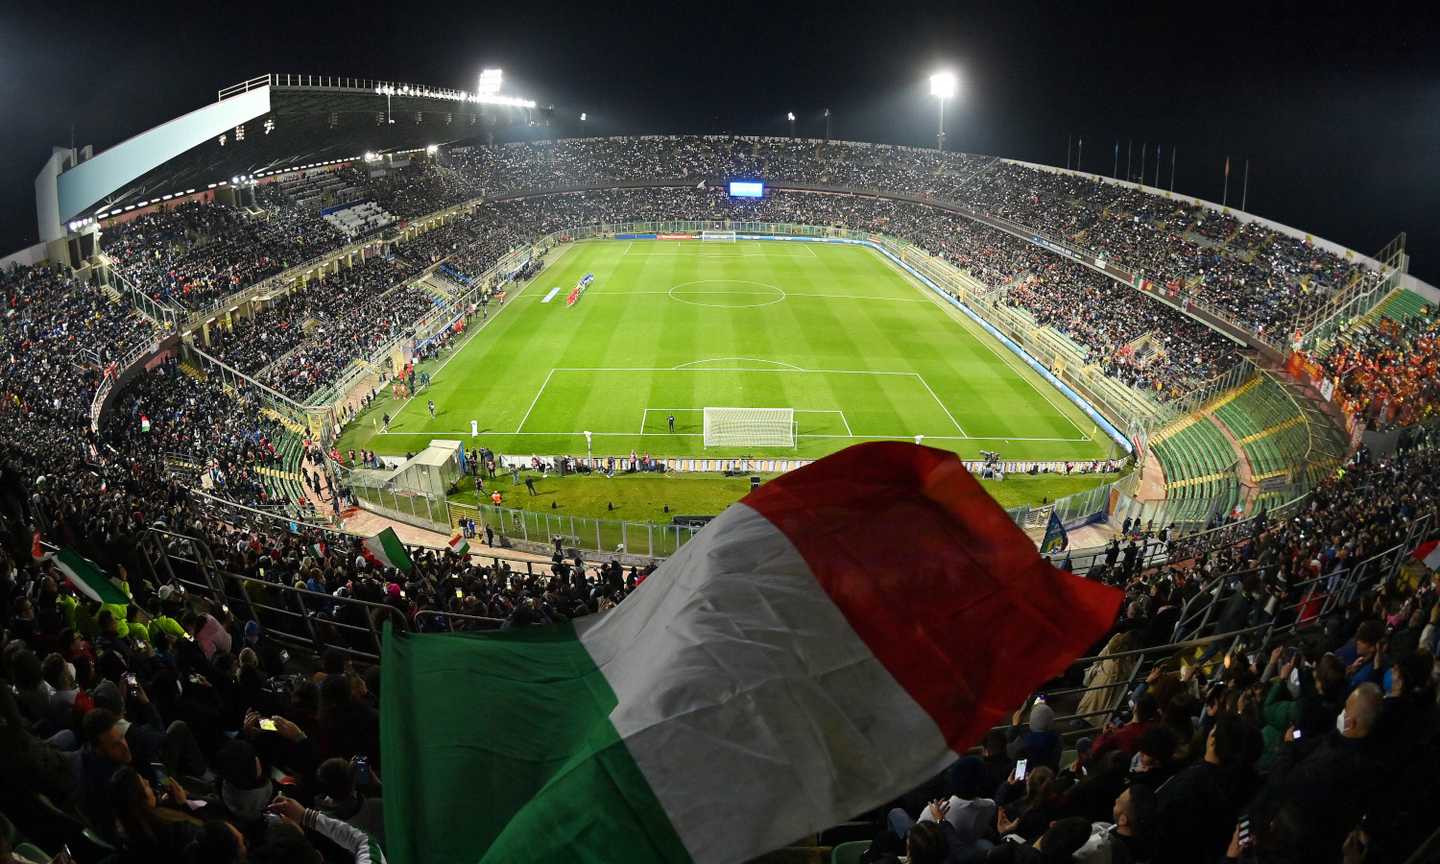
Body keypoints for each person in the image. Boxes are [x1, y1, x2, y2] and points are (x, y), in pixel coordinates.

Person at [106, 765, 203, 856]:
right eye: (144, 784)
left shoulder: (124, 837)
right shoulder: (175, 830)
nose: (148, 781)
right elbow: (205, 831)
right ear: (141, 800)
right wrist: (185, 802)